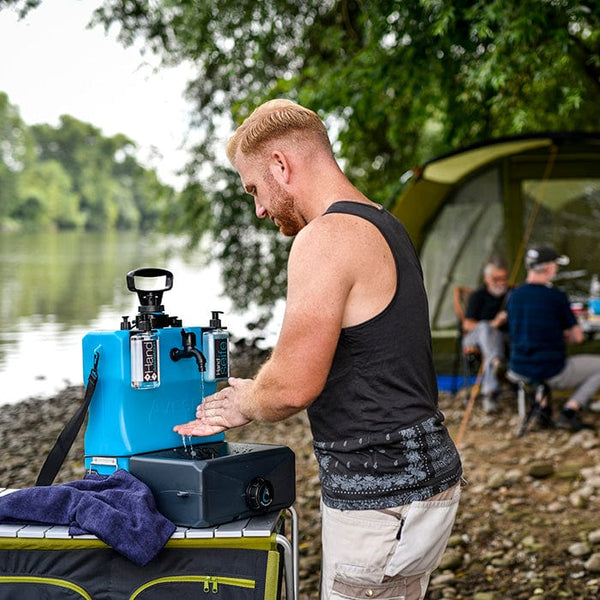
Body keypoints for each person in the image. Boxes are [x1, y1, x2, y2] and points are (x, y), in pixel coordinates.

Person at [174, 99, 463, 599]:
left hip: (383, 497)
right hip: (425, 480)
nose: (259, 207)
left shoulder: (325, 237)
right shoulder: (382, 223)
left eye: (254, 188)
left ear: (281, 165)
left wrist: (243, 400)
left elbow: (292, 386)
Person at [506, 245, 600, 432]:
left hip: (518, 367)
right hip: (550, 370)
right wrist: (563, 334)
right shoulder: (556, 297)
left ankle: (543, 408)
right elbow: (578, 338)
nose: (556, 269)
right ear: (548, 268)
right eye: (556, 265)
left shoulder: (513, 296)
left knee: (540, 361)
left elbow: (523, 329)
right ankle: (569, 411)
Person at [461, 260, 509, 413]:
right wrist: (494, 323)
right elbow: (467, 325)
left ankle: (491, 390)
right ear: (486, 278)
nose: (501, 283)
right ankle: (496, 364)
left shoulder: (511, 295)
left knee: (495, 337)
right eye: (496, 279)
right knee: (484, 327)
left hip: (501, 339)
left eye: (504, 279)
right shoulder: (478, 296)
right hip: (474, 339)